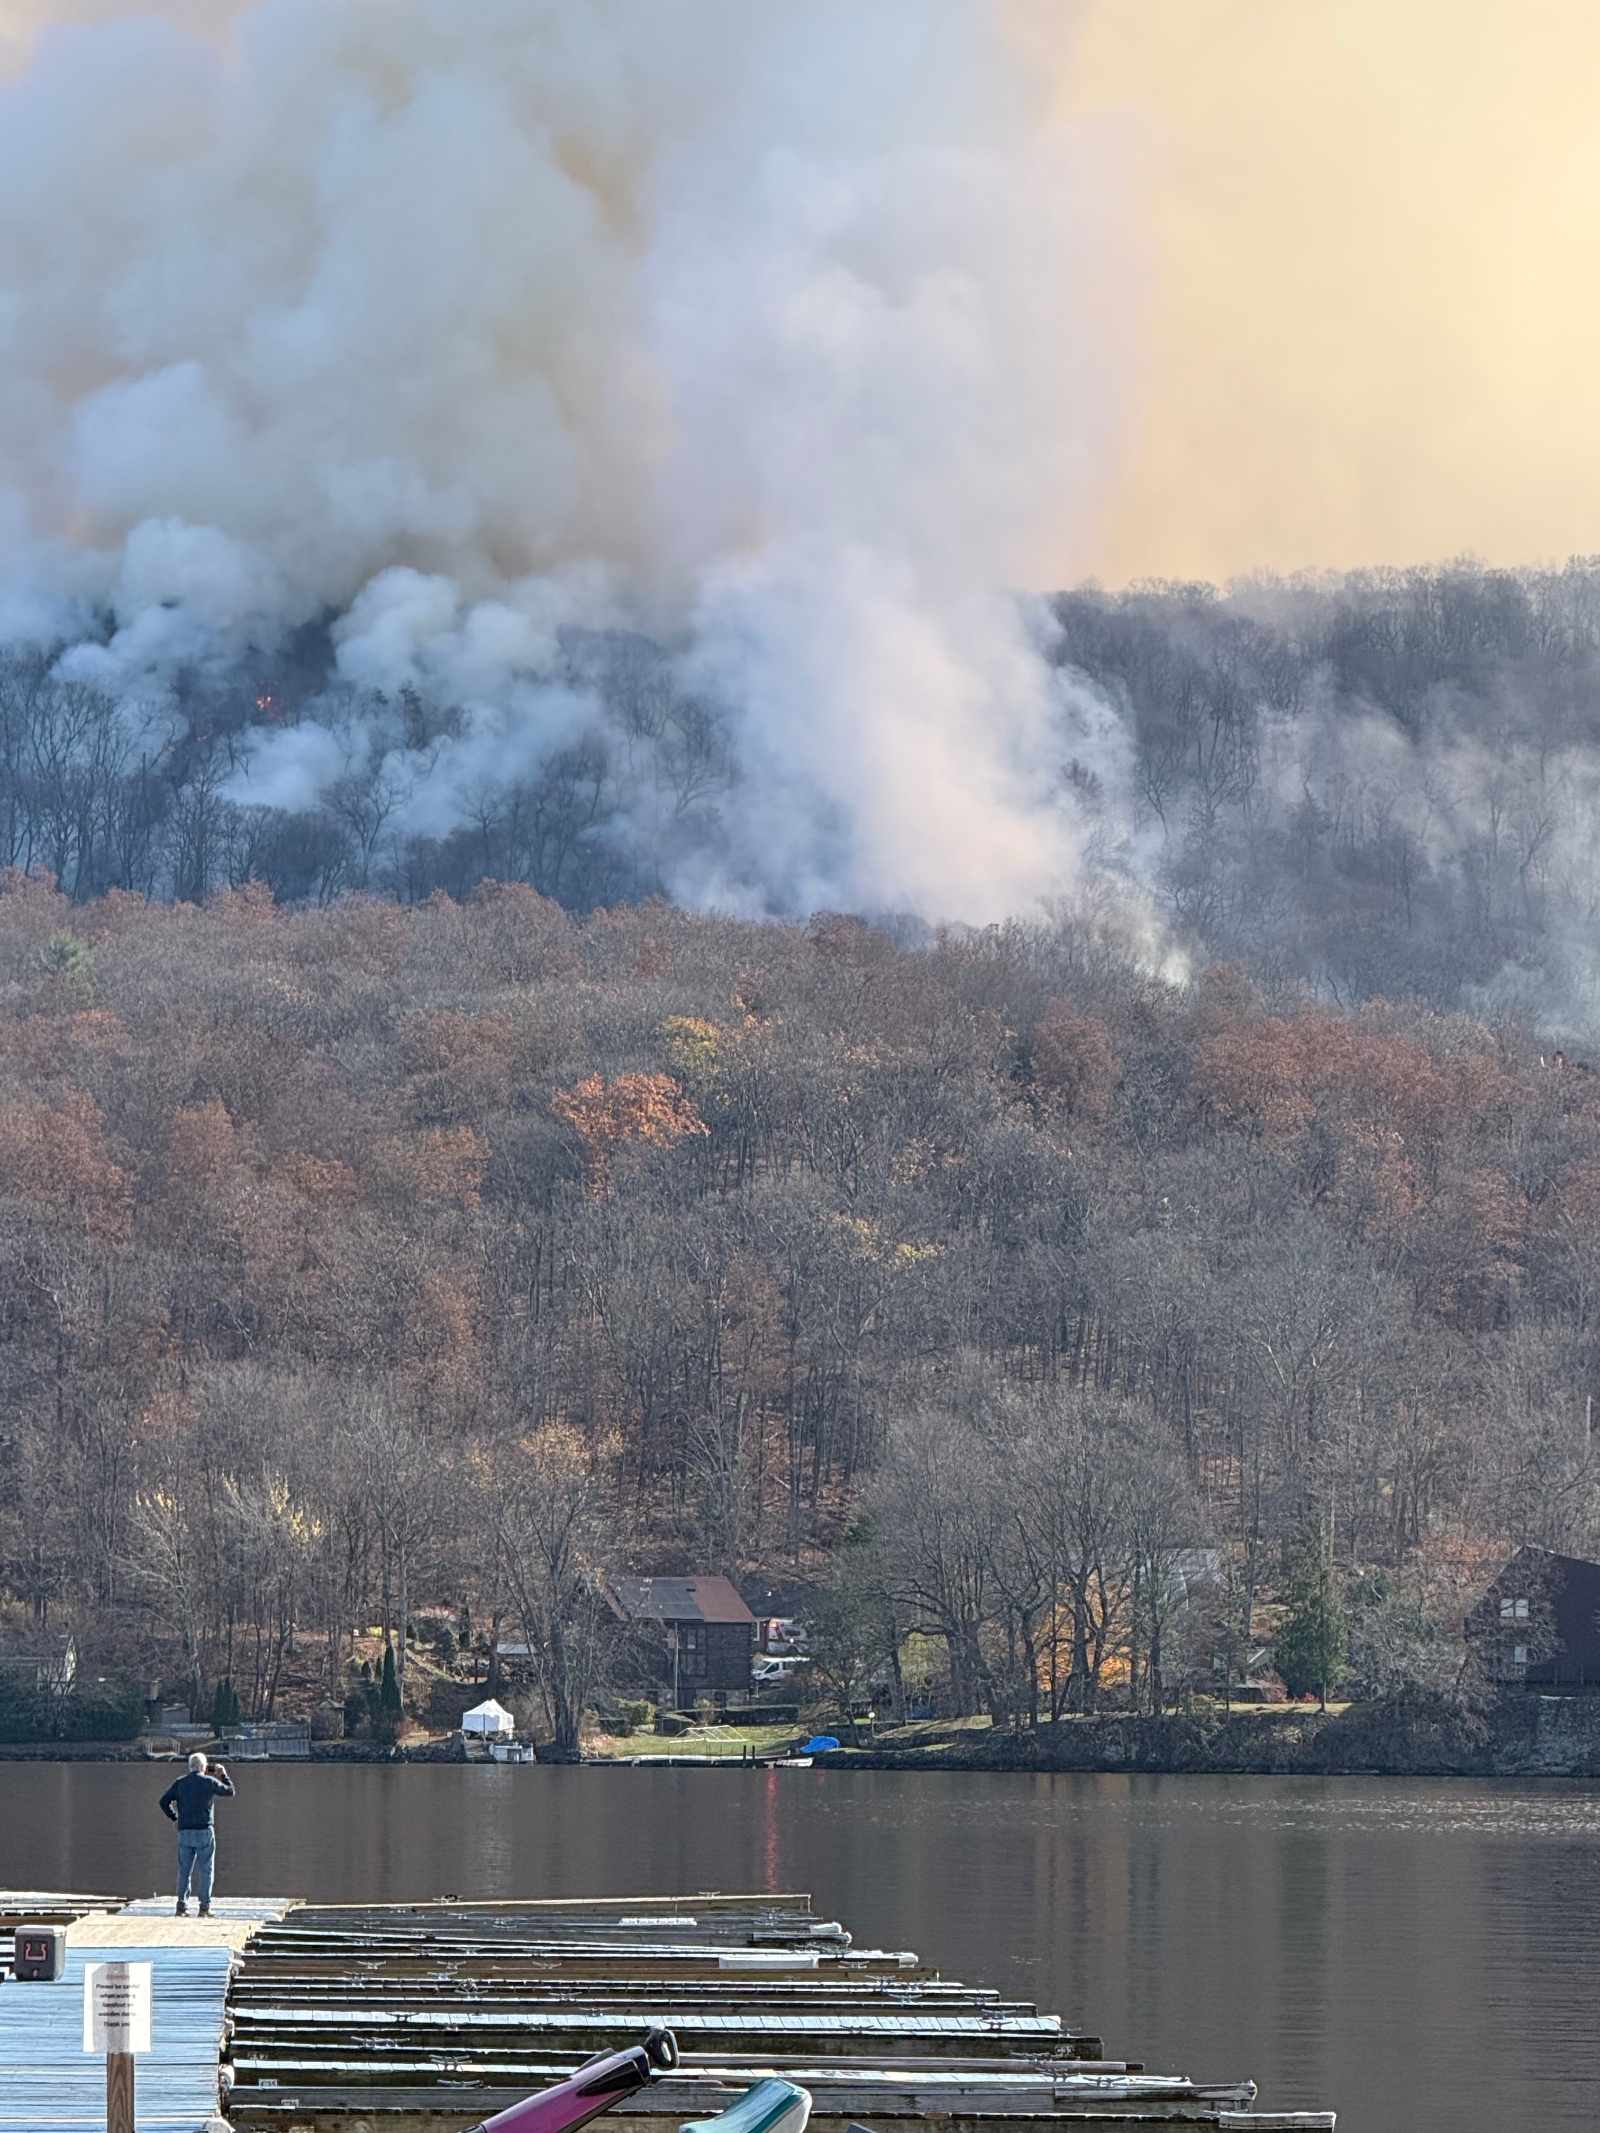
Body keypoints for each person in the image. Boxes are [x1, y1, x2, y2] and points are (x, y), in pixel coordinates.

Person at [158, 1750, 235, 1917]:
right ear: (203, 1766)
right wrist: (223, 1774)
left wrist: (174, 1817)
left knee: (184, 1870)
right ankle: (204, 1908)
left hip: (185, 1831)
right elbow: (230, 1791)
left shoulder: (180, 1783)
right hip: (204, 1831)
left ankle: (181, 1907)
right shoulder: (209, 1781)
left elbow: (163, 1801)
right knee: (206, 1870)